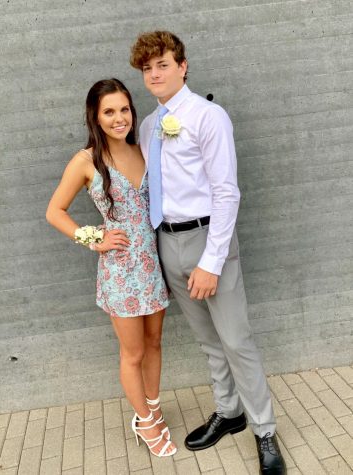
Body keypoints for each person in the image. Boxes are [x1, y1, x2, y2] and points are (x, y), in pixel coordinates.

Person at [130, 31, 286, 474]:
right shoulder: (147, 126)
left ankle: (265, 431)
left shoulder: (208, 116)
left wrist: (211, 262)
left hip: (207, 241)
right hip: (167, 241)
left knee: (237, 341)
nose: (155, 74)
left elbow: (226, 193)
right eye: (147, 68)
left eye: (163, 64)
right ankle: (229, 411)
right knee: (207, 341)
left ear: (182, 66)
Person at [46, 78, 176, 458]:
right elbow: (55, 211)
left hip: (152, 263)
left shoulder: (142, 150)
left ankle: (152, 409)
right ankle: (145, 422)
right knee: (132, 353)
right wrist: (93, 238)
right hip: (120, 271)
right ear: (96, 117)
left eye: (124, 109)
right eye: (109, 111)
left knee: (154, 344)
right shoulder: (86, 161)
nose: (119, 118)